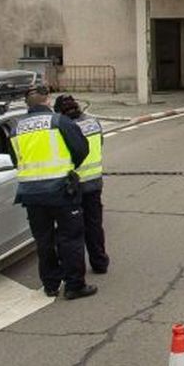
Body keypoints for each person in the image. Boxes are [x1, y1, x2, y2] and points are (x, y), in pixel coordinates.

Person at [11, 84, 97, 300]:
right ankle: (74, 285)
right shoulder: (60, 122)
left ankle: (50, 285)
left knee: (43, 239)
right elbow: (81, 149)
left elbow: (16, 160)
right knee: (70, 237)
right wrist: (68, 168)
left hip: (31, 193)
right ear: (47, 100)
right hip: (61, 191)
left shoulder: (16, 128)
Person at [54, 93, 109, 274]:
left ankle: (75, 270)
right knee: (94, 226)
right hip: (94, 182)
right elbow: (99, 144)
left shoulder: (64, 128)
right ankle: (100, 263)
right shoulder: (94, 122)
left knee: (73, 231)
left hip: (74, 185)